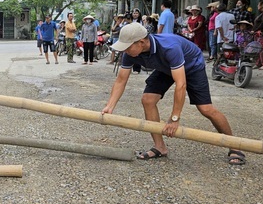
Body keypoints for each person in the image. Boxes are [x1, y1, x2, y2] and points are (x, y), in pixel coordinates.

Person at [101, 22, 246, 165]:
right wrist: (110, 106)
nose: (125, 51)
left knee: (206, 109)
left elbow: (181, 84)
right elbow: (121, 80)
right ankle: (160, 147)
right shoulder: (130, 53)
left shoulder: (169, 47)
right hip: (166, 68)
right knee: (148, 100)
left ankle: (234, 146)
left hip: (191, 66)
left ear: (141, 42)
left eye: (127, 47)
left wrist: (175, 117)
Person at [252, 0, 263, 69]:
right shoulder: (262, 13)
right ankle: (258, 62)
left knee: (262, 48)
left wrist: (256, 30)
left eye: (258, 4)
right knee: (258, 48)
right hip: (258, 33)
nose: (257, 6)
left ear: (262, 5)